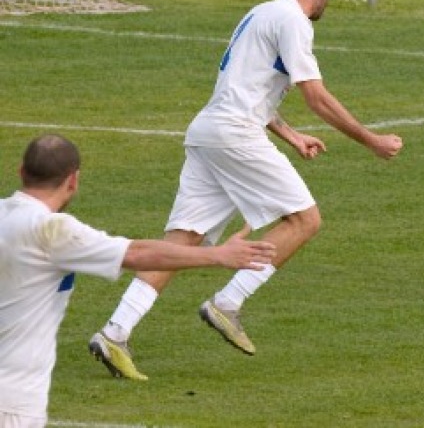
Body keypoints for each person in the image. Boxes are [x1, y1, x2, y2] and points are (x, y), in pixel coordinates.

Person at [90, 0, 403, 380]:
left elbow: (245, 88)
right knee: (305, 220)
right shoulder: (293, 21)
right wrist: (372, 141)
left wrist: (291, 136)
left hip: (209, 132)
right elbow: (316, 96)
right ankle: (227, 302)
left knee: (182, 242)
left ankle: (114, 332)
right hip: (235, 135)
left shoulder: (260, 13)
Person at [0, 134, 276, 427]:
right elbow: (137, 254)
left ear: (21, 171)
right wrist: (219, 255)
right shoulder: (51, 231)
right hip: (13, 399)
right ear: (73, 180)